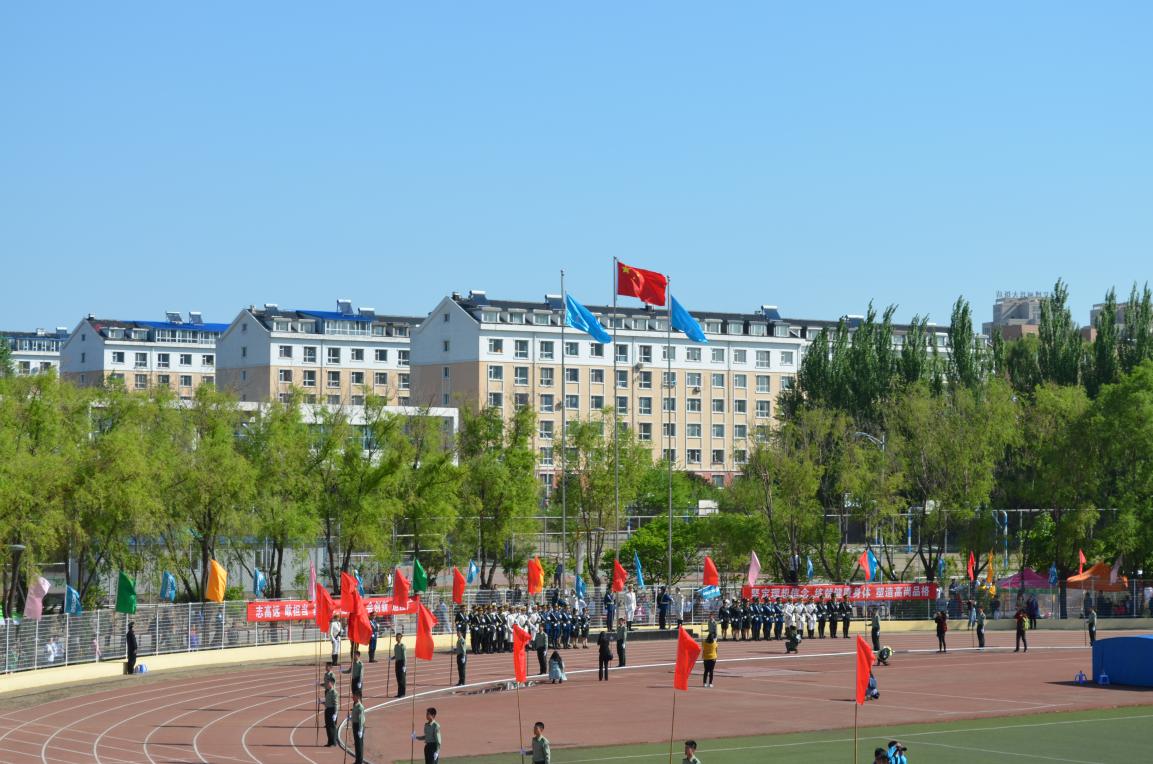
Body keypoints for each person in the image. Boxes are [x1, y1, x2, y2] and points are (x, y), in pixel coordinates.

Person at [318, 676, 338, 746]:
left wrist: (335, 714)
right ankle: (329, 742)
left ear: (332, 683)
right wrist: (321, 702)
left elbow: (336, 704)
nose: (327, 684)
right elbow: (327, 702)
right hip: (327, 709)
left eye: (328, 682)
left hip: (332, 710)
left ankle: (333, 742)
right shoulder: (328, 691)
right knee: (328, 726)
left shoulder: (334, 692)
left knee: (332, 727)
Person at [348, 691, 366, 764]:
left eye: (354, 696)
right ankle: (357, 760)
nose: (352, 697)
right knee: (356, 744)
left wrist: (360, 730)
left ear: (358, 697)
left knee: (359, 745)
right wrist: (350, 718)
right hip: (355, 725)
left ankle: (359, 761)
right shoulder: (355, 705)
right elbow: (355, 716)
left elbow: (361, 719)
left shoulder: (360, 707)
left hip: (359, 726)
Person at [392, 632, 407, 697]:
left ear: (400, 638)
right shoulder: (395, 646)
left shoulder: (402, 646)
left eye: (398, 637)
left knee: (402, 679)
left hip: (402, 663)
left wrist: (404, 665)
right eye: (396, 637)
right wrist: (391, 658)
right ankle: (399, 693)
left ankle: (402, 693)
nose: (396, 638)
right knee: (398, 678)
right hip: (397, 663)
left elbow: (404, 656)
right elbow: (396, 655)